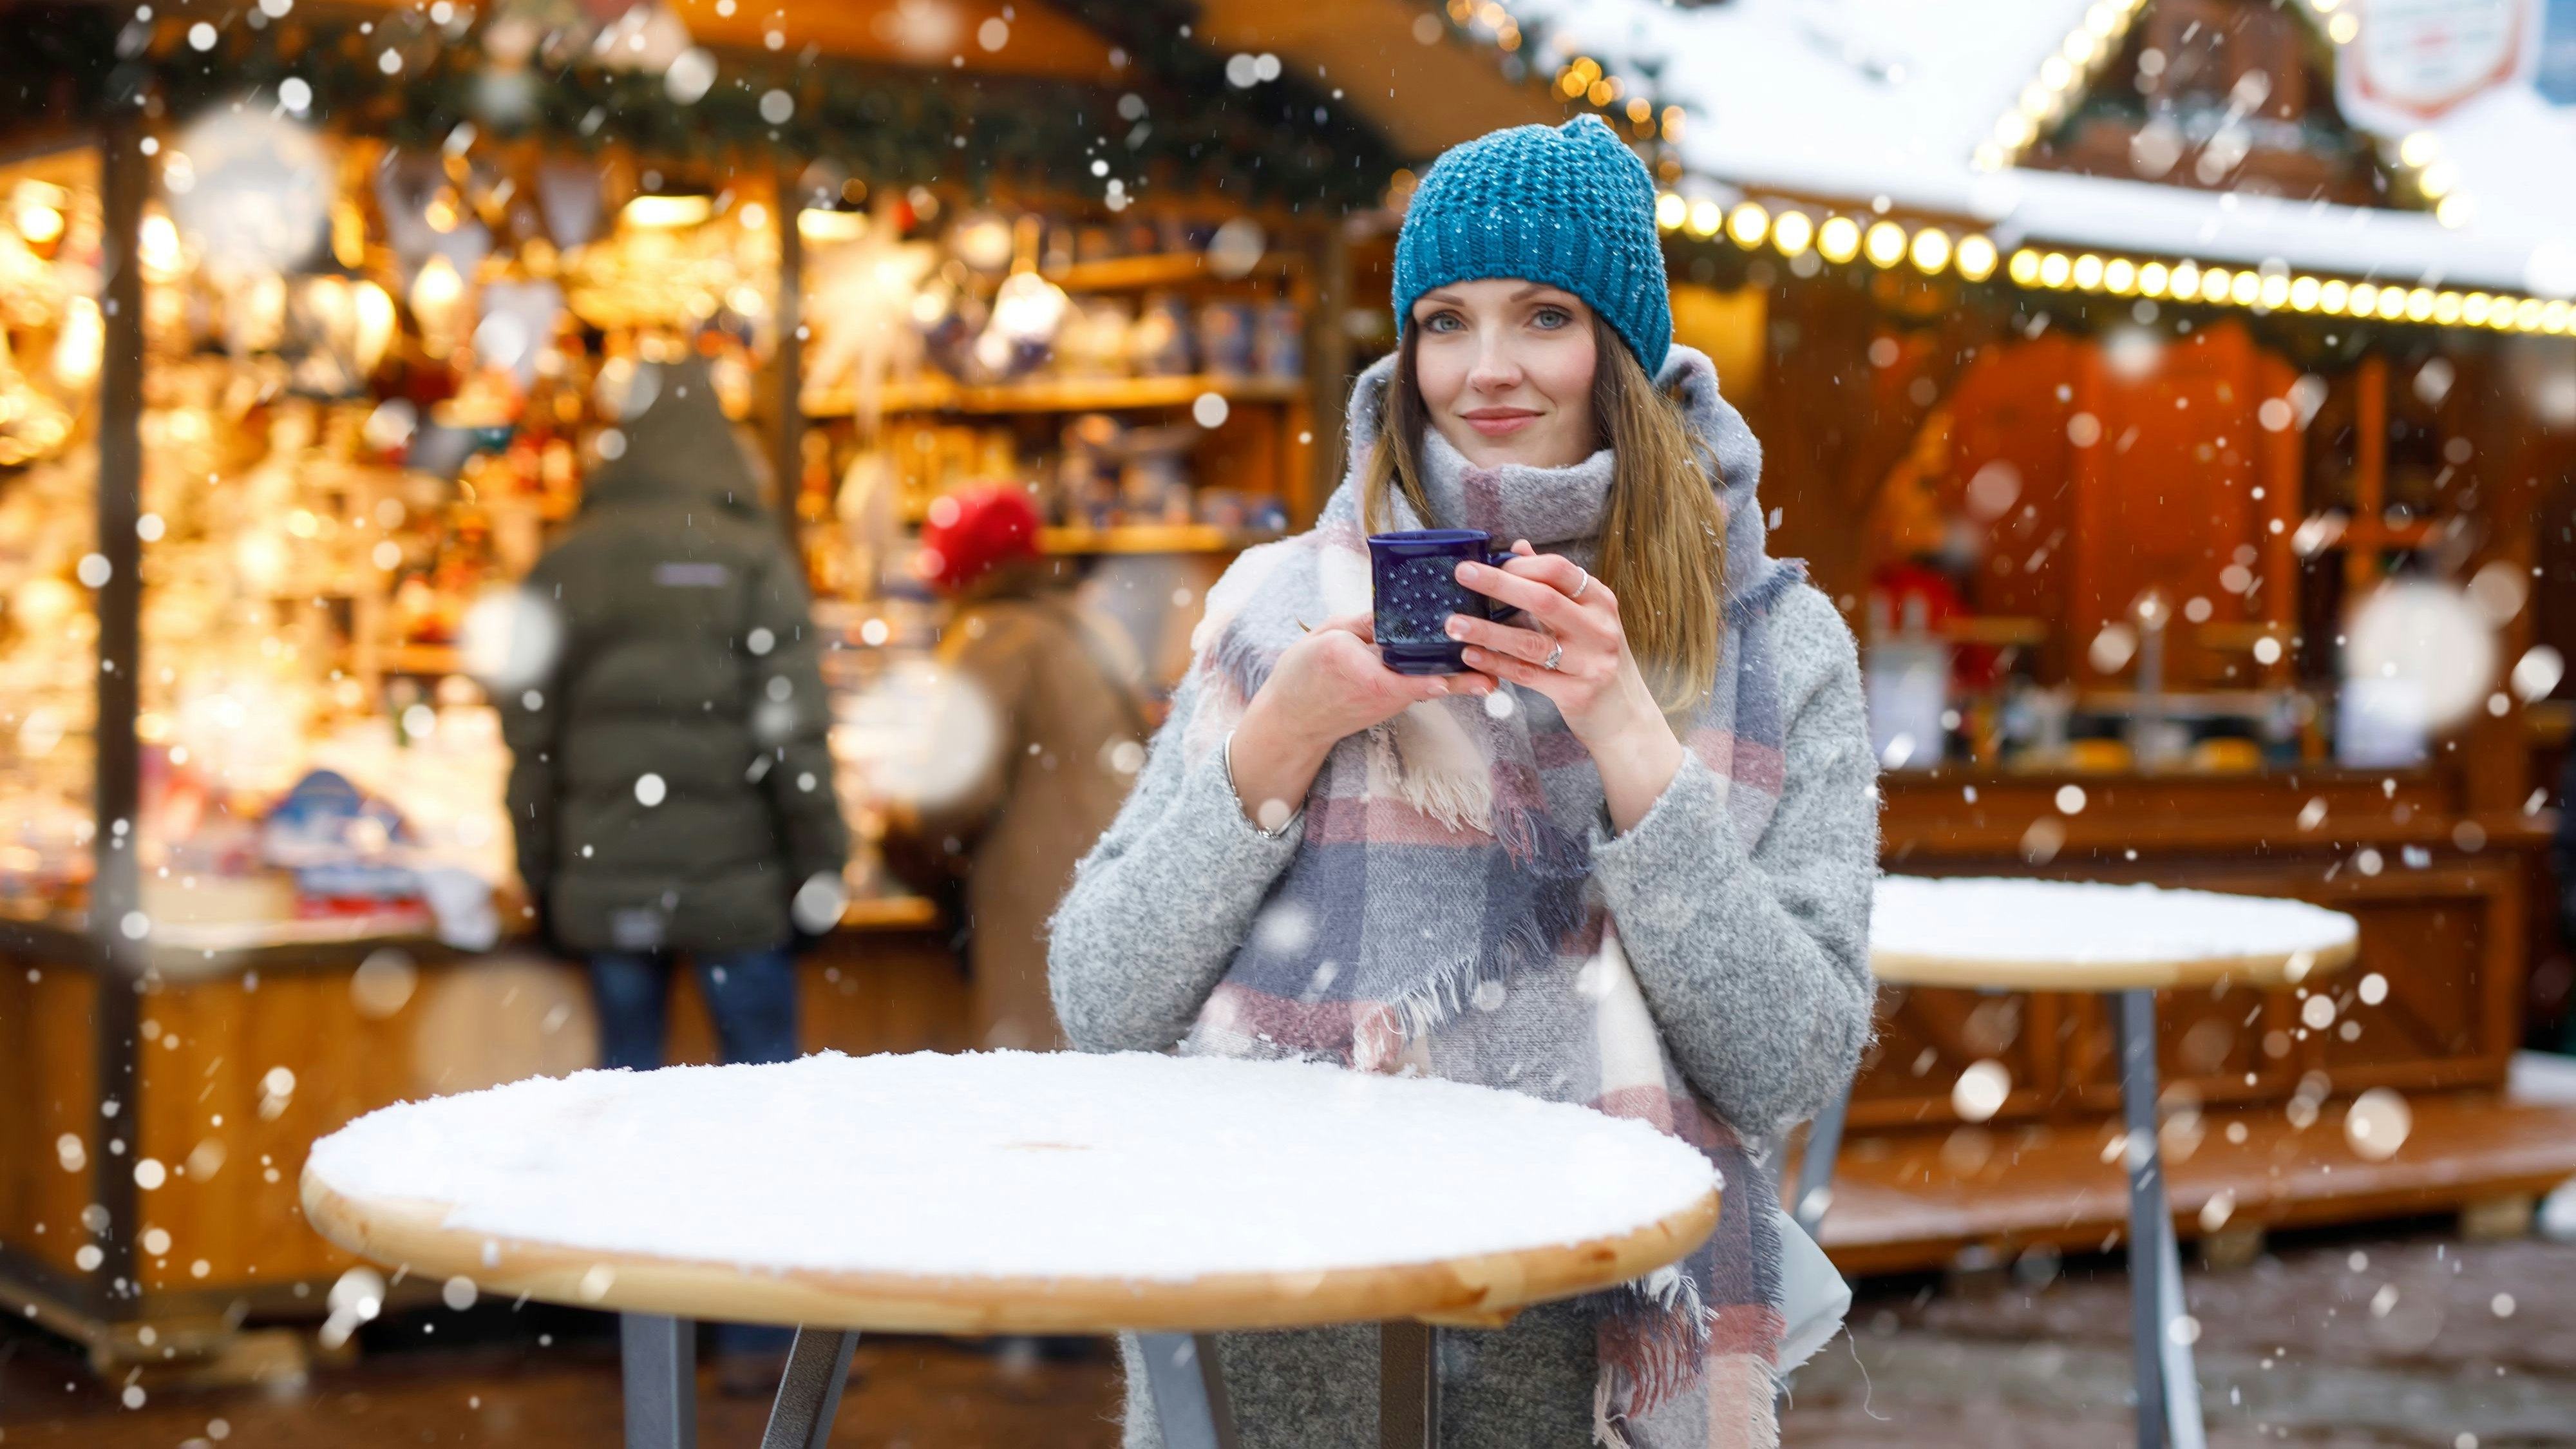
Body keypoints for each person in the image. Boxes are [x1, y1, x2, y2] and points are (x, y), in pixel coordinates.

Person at [1049, 115, 1877, 1448]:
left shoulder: (1771, 648)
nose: (1483, 370)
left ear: (1621, 345)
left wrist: (1622, 728)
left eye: (1542, 315)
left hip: (1592, 1340)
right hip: (1275, 1305)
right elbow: (1100, 997)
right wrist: (1286, 732)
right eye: (1442, 321)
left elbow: (1783, 1060)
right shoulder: (1282, 607)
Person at [500, 352, 849, 1385]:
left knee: (625, 1107)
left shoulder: (568, 561)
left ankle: (636, 1331)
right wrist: (819, 861)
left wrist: (539, 868)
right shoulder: (749, 557)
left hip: (608, 881)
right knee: (759, 1108)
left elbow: (529, 741)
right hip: (737, 884)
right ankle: (759, 1339)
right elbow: (797, 735)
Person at [882, 483, 1148, 1050]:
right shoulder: (1086, 624)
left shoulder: (992, 635)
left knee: (1036, 1085)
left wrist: (897, 831)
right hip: (1116, 888)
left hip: (1042, 901)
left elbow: (950, 796)